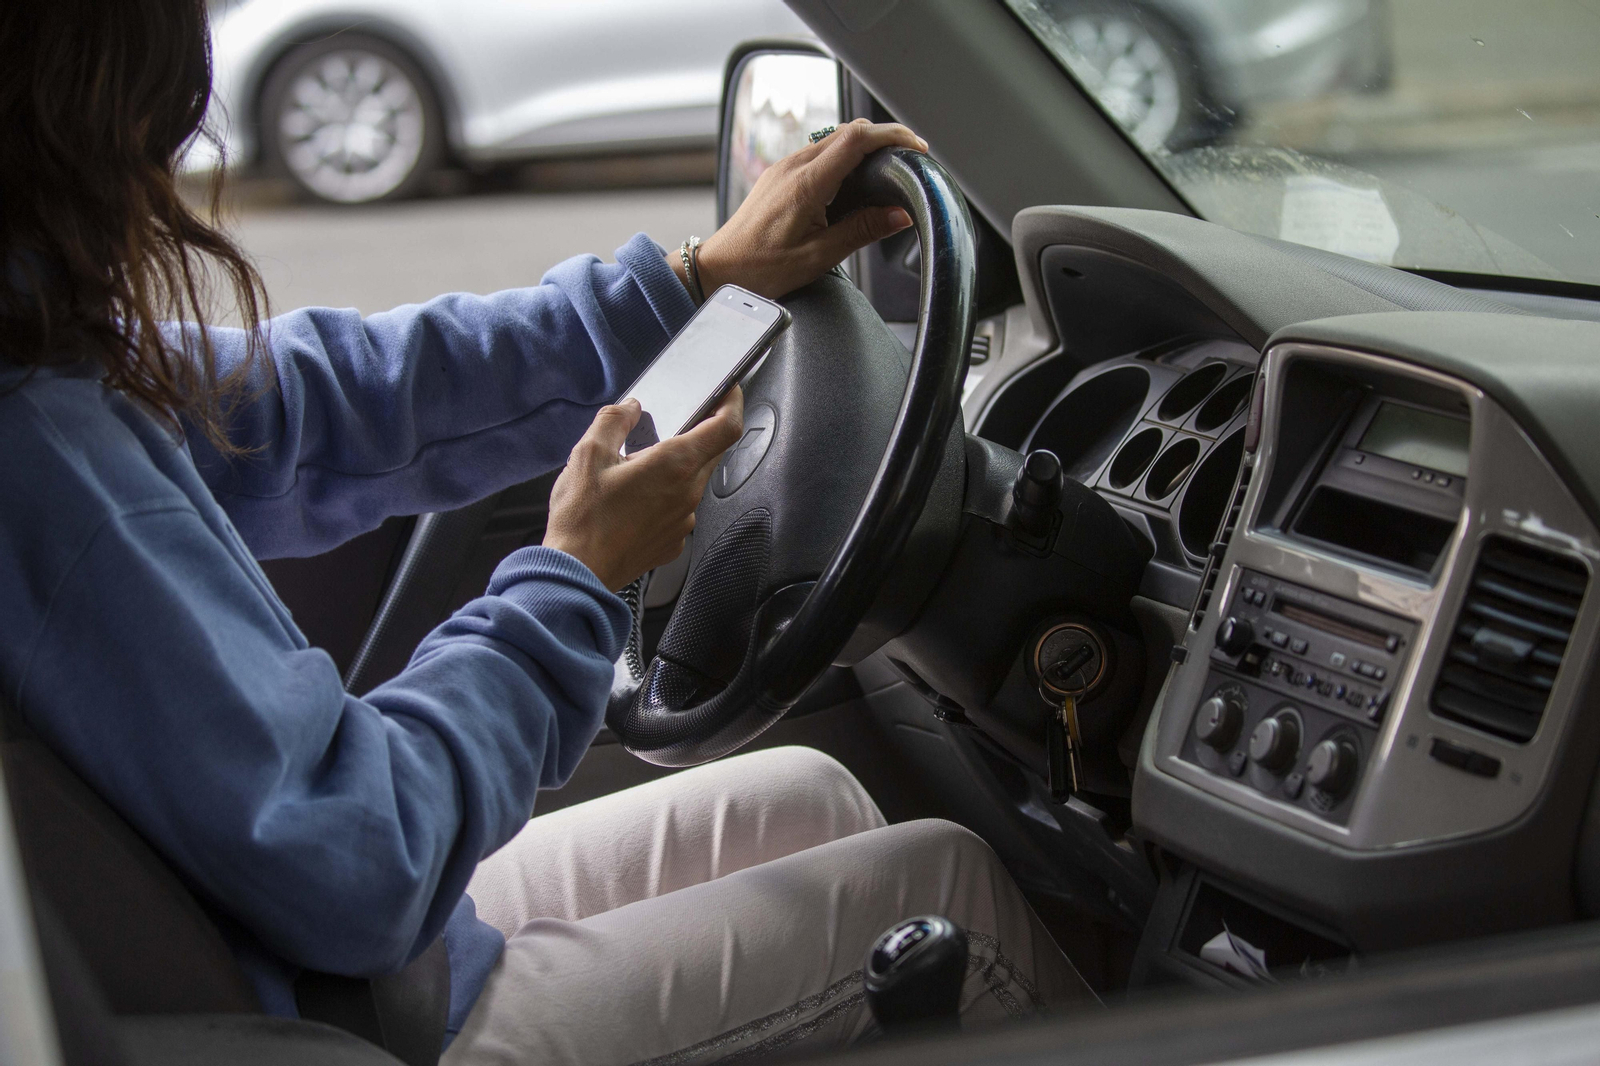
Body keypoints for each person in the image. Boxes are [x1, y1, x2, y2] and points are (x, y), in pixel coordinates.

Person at [0, 2, 1095, 1064]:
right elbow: (358, 854)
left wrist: (690, 284)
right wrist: (571, 582)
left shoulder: (46, 345)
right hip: (317, 1019)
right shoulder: (34, 451)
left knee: (811, 798)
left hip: (290, 958)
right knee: (949, 892)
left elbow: (311, 401)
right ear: (83, 115)